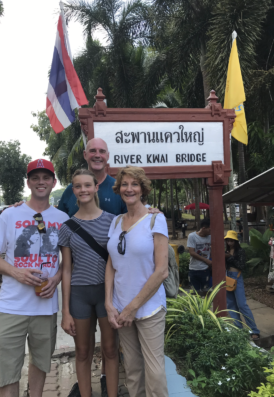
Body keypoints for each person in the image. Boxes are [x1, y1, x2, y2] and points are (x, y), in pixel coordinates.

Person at [0, 159, 69, 397]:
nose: (40, 182)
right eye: (35, 178)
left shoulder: (62, 219)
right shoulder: (9, 215)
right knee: (7, 371)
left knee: (41, 364)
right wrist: (16, 272)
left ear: (53, 182)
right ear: (28, 182)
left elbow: (67, 261)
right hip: (11, 306)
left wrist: (57, 279)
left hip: (45, 306)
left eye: (45, 178)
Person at [105, 166, 169, 397]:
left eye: (134, 184)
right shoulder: (115, 222)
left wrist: (133, 307)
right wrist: (109, 304)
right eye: (124, 184)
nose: (129, 189)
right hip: (121, 308)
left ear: (142, 189)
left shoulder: (155, 219)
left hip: (148, 308)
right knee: (132, 369)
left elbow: (162, 271)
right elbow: (111, 265)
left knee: (154, 372)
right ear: (119, 189)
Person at [59, 169, 118, 397]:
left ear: (95, 188)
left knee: (110, 350)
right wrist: (65, 311)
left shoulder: (112, 222)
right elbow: (66, 270)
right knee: (82, 351)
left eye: (87, 185)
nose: (83, 190)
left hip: (107, 294)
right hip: (79, 295)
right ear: (73, 191)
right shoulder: (67, 227)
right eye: (78, 186)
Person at [225, 230, 260, 340]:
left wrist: (228, 257)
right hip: (228, 276)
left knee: (242, 305)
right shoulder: (226, 250)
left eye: (231, 240)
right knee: (231, 304)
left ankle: (254, 330)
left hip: (237, 276)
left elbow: (241, 265)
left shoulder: (240, 251)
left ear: (235, 241)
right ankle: (238, 328)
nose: (229, 242)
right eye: (227, 240)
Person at [187, 218, 212, 293]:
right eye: (210, 229)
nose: (211, 231)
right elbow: (192, 252)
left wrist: (211, 263)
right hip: (193, 269)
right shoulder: (192, 236)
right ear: (204, 228)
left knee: (206, 291)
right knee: (194, 293)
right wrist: (207, 260)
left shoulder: (210, 237)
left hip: (205, 269)